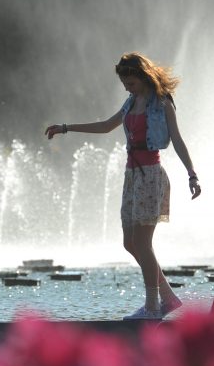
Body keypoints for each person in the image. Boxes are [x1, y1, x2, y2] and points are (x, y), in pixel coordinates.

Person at [45, 52, 201, 320]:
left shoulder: (162, 104)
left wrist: (192, 174)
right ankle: (168, 297)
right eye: (125, 83)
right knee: (130, 243)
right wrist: (66, 127)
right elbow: (107, 126)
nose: (127, 87)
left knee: (143, 243)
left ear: (142, 76)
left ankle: (153, 307)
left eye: (130, 82)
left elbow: (177, 139)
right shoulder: (131, 102)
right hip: (132, 176)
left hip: (151, 175)